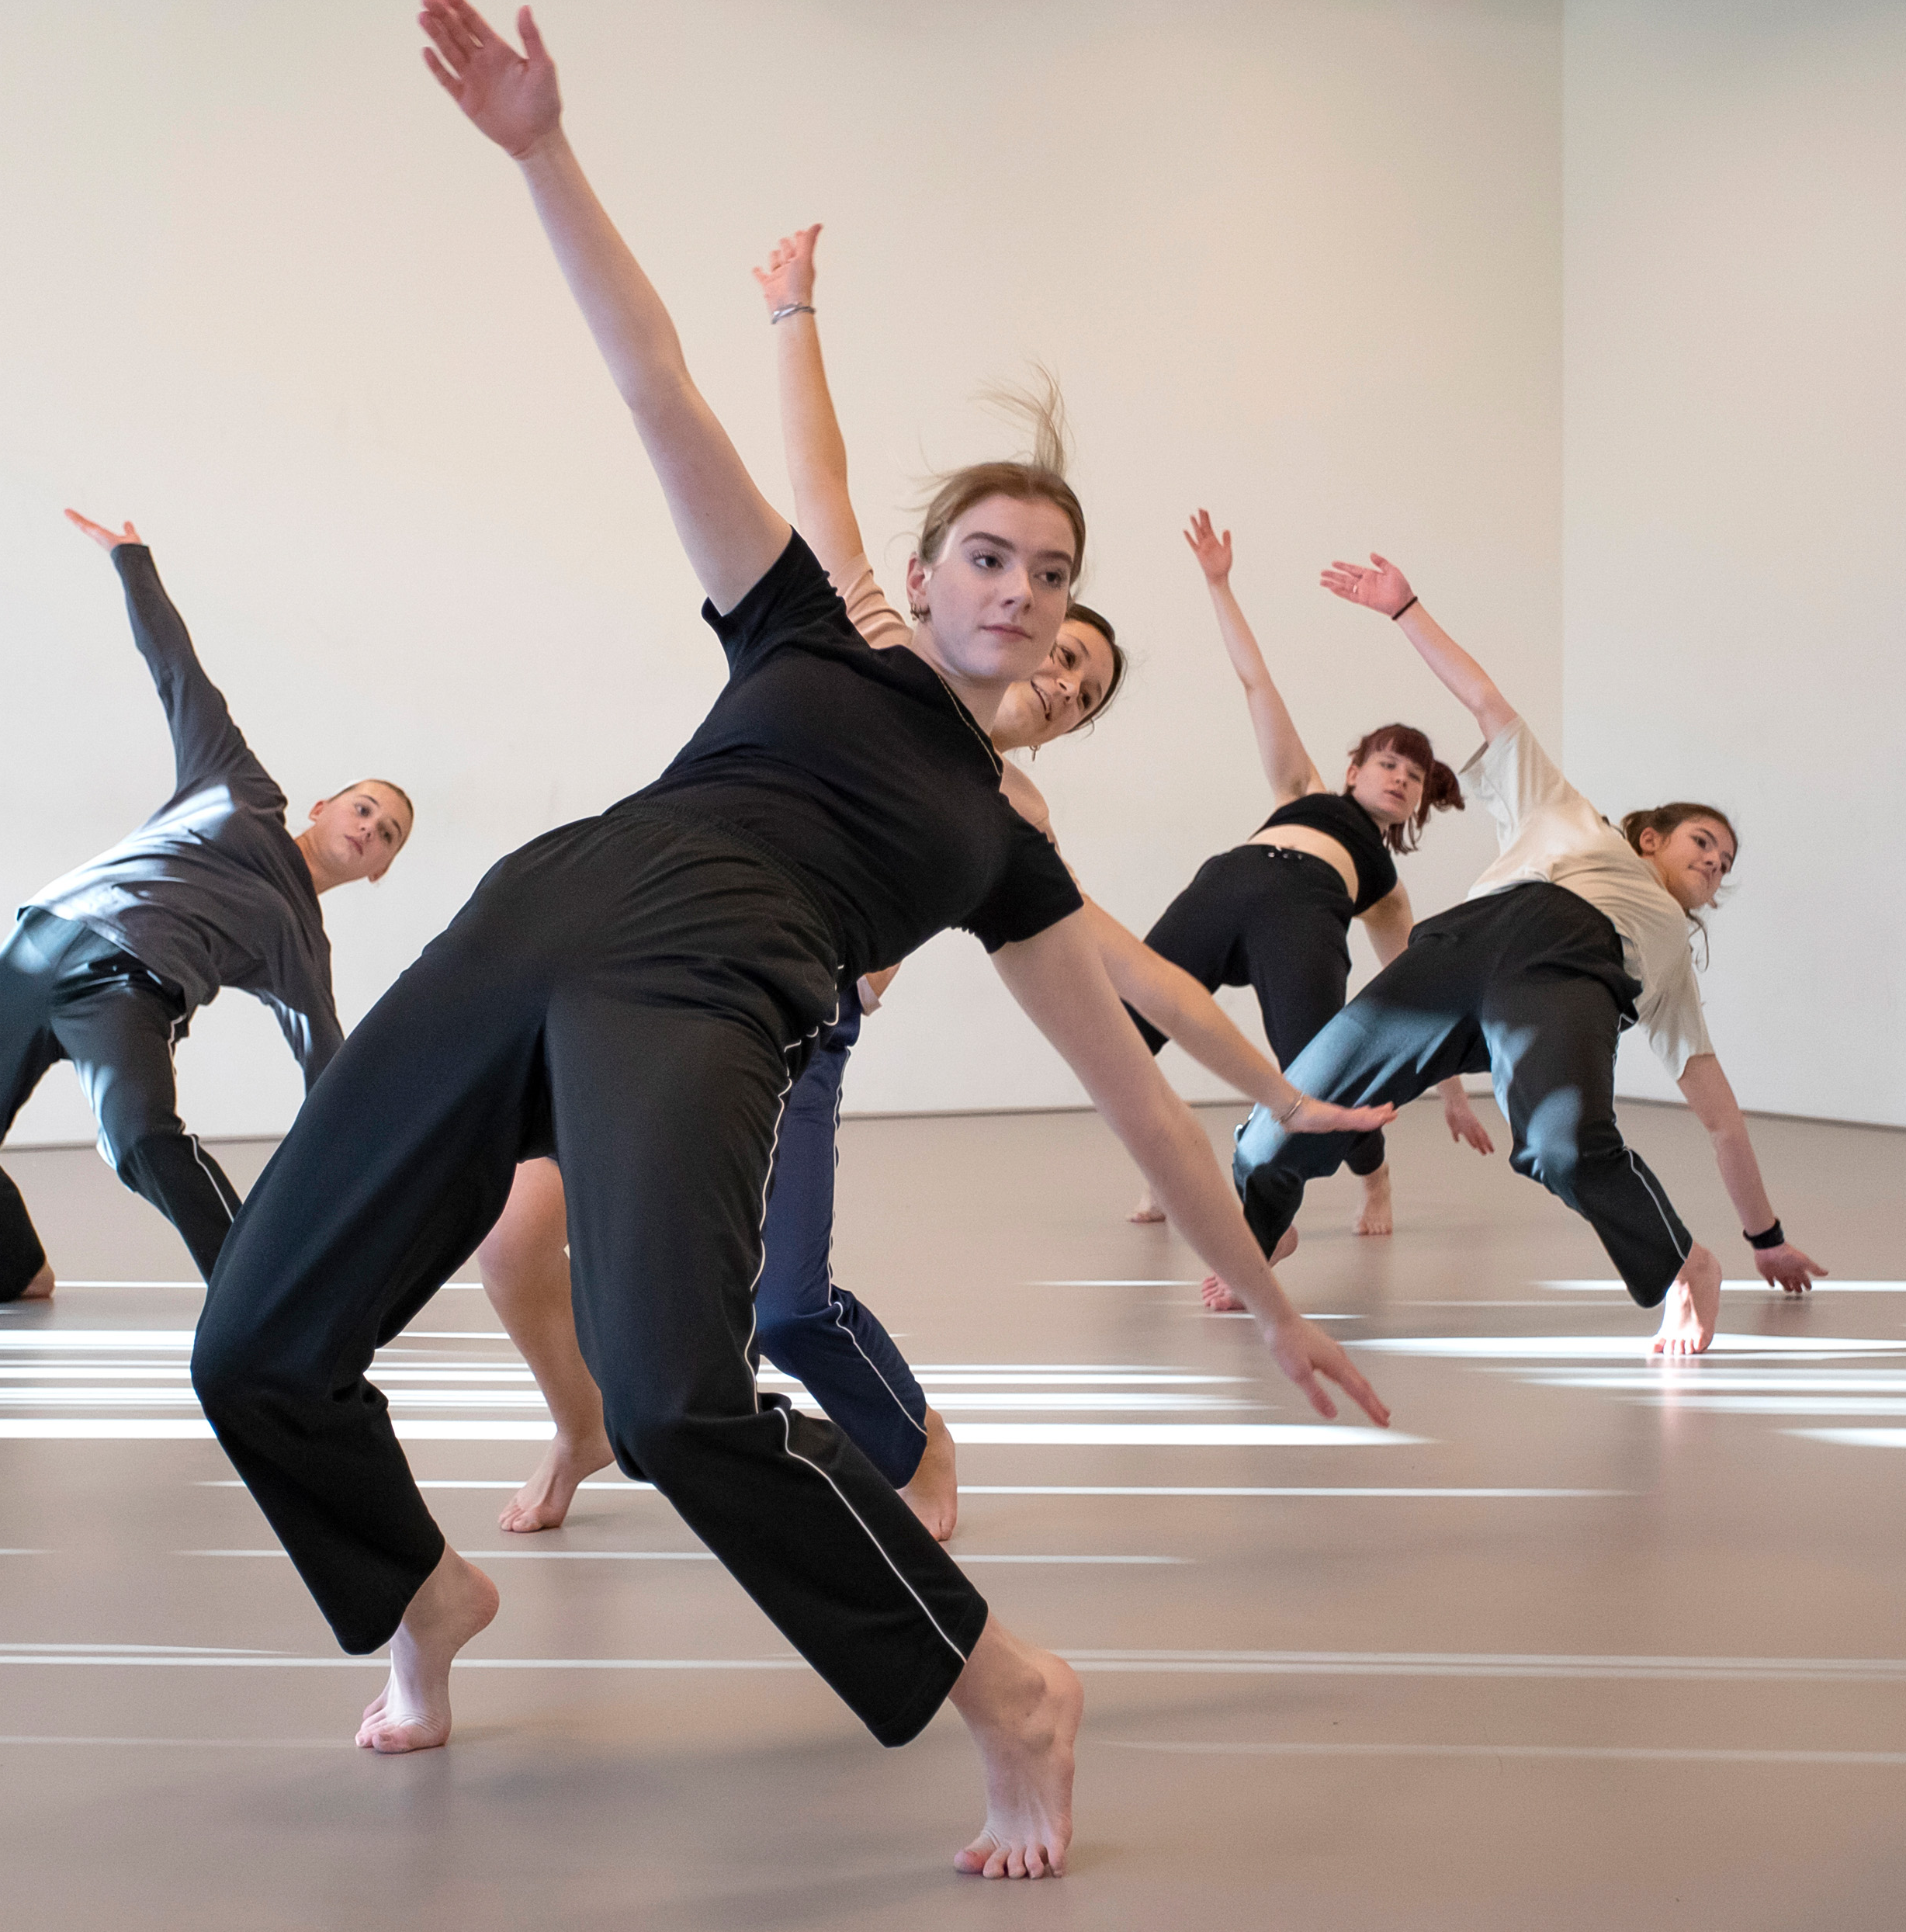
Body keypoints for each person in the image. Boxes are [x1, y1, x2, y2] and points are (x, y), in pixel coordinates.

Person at [188, 0, 1390, 1882]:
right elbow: (652, 380)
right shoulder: (805, 631)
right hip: (533, 922)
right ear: (921, 579)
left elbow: (1140, 1097)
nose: (1025, 599)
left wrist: (1277, 1291)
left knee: (675, 1398)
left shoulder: (1002, 847)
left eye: (1059, 587)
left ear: (1074, 667)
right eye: (994, 560)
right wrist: (538, 153)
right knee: (250, 1344)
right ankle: (420, 1596)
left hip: (703, 991)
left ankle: (1009, 1691)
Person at [486, 227, 1386, 1545]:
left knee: (784, 1312)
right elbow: (818, 479)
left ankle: (915, 1435)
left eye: (1082, 682)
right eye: (1042, 621)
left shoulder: (1006, 825)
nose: (1053, 659)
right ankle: (578, 1426)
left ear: (1064, 726)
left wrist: (1279, 1099)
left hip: (793, 1037)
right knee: (513, 1247)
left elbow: (1147, 1001)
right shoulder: (871, 643)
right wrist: (794, 315)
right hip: (648, 963)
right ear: (949, 589)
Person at [1222, 553, 1828, 1352]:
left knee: (1561, 1147)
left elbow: (1720, 1122)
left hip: (1571, 974)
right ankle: (1257, 1239)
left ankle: (1683, 1266)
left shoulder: (1667, 954)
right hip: (1460, 947)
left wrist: (1766, 1237)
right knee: (1275, 1124)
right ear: (1648, 837)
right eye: (1702, 842)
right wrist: (1404, 609)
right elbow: (1483, 700)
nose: (1712, 864)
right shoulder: (1568, 817)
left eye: (1722, 867)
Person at [0, 507, 408, 1299]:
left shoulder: (299, 943)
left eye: (386, 834)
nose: (369, 826)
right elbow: (177, 668)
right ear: (321, 808)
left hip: (128, 993)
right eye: (362, 807)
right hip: (36, 947)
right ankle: (9, 1273)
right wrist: (132, 560)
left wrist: (382, 1175)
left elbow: (327, 1068)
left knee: (140, 1138)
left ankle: (257, 1291)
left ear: (378, 869)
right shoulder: (237, 786)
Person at [1125, 508, 1494, 1236]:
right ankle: (1167, 1171)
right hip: (1222, 887)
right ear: (1354, 770)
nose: (1400, 778)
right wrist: (1219, 585)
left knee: (1321, 1069)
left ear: (1418, 802)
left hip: (1303, 912)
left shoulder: (1382, 889)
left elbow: (1414, 993)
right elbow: (1257, 683)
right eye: (1388, 763)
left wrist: (1452, 1092)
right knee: (1127, 1028)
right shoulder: (1303, 789)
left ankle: (1376, 1179)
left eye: (1414, 776)